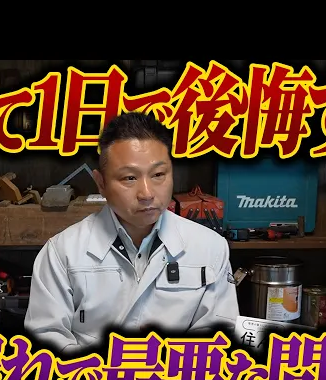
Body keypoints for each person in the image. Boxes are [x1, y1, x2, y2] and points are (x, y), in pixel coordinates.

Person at [24, 111, 239, 355]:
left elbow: (218, 336)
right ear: (101, 183)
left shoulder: (210, 247)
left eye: (158, 175)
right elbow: (45, 339)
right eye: (129, 178)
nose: (147, 193)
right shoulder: (62, 252)